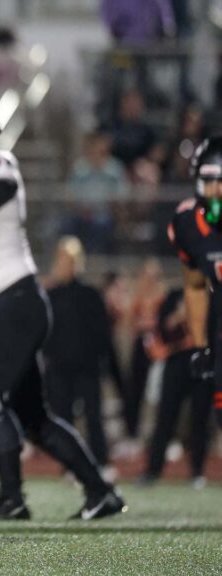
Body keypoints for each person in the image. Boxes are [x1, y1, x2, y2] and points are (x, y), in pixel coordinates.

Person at [0, 116, 124, 520]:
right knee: (33, 417)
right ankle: (101, 492)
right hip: (4, 305)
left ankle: (12, 498)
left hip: (13, 301)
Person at [44, 237, 120, 470]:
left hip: (87, 368)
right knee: (62, 418)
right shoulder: (50, 295)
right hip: (58, 368)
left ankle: (100, 462)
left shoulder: (90, 295)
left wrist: (104, 364)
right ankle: (68, 464)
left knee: (93, 417)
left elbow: (103, 334)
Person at [167, 135, 222, 433]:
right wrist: (201, 345)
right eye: (209, 181)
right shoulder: (188, 224)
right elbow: (196, 286)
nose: (215, 192)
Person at [140, 288, 213, 487]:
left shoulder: (213, 294)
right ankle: (153, 470)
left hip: (205, 360)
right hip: (176, 361)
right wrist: (177, 318)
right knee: (165, 417)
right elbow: (161, 329)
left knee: (200, 419)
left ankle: (197, 472)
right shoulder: (174, 295)